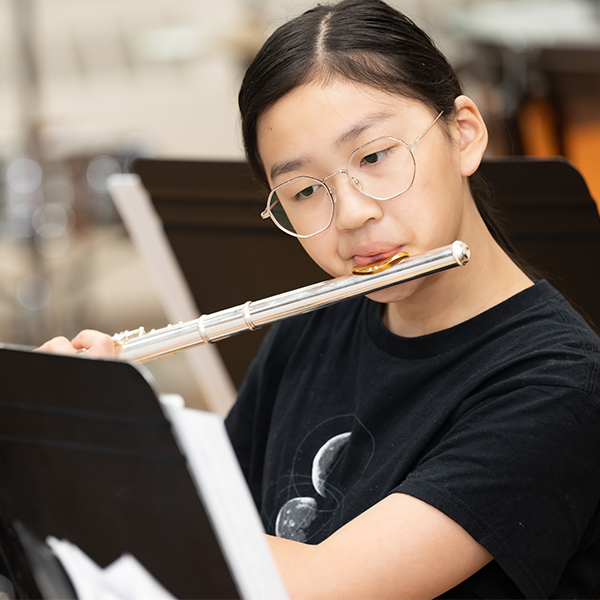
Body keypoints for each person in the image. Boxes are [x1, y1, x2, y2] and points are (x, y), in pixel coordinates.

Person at [39, 0, 600, 597]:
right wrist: (105, 421)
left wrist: (103, 474)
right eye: (305, 190)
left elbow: (327, 585)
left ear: (463, 133)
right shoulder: (317, 324)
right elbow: (218, 520)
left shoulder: (560, 385)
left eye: (376, 156)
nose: (353, 213)